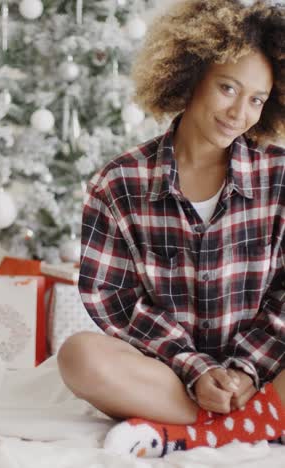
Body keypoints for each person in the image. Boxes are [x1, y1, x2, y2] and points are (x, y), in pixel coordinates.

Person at [57, 0, 285, 458]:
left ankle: (197, 431)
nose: (240, 112)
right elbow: (114, 302)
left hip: (267, 371)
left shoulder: (279, 177)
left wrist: (244, 370)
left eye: (256, 99)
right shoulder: (119, 184)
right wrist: (197, 370)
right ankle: (252, 424)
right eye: (227, 88)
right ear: (190, 76)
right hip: (170, 375)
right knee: (78, 357)